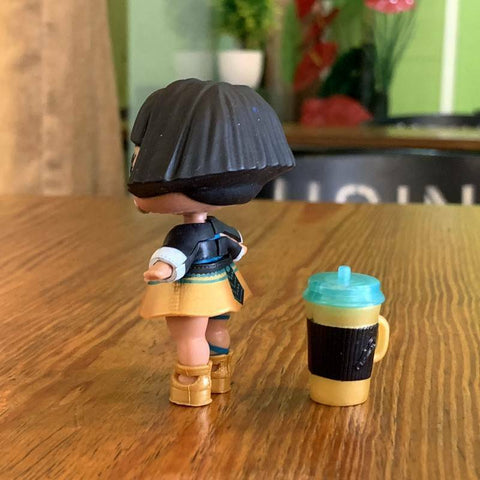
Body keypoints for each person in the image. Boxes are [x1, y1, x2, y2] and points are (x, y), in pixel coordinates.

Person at [128, 78, 295, 406]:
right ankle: (219, 372)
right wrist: (237, 251)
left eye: (139, 159)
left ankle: (192, 381)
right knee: (216, 328)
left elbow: (177, 256)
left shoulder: (186, 234)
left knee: (188, 335)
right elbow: (235, 244)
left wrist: (160, 270)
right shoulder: (217, 227)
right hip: (221, 287)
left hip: (193, 293)